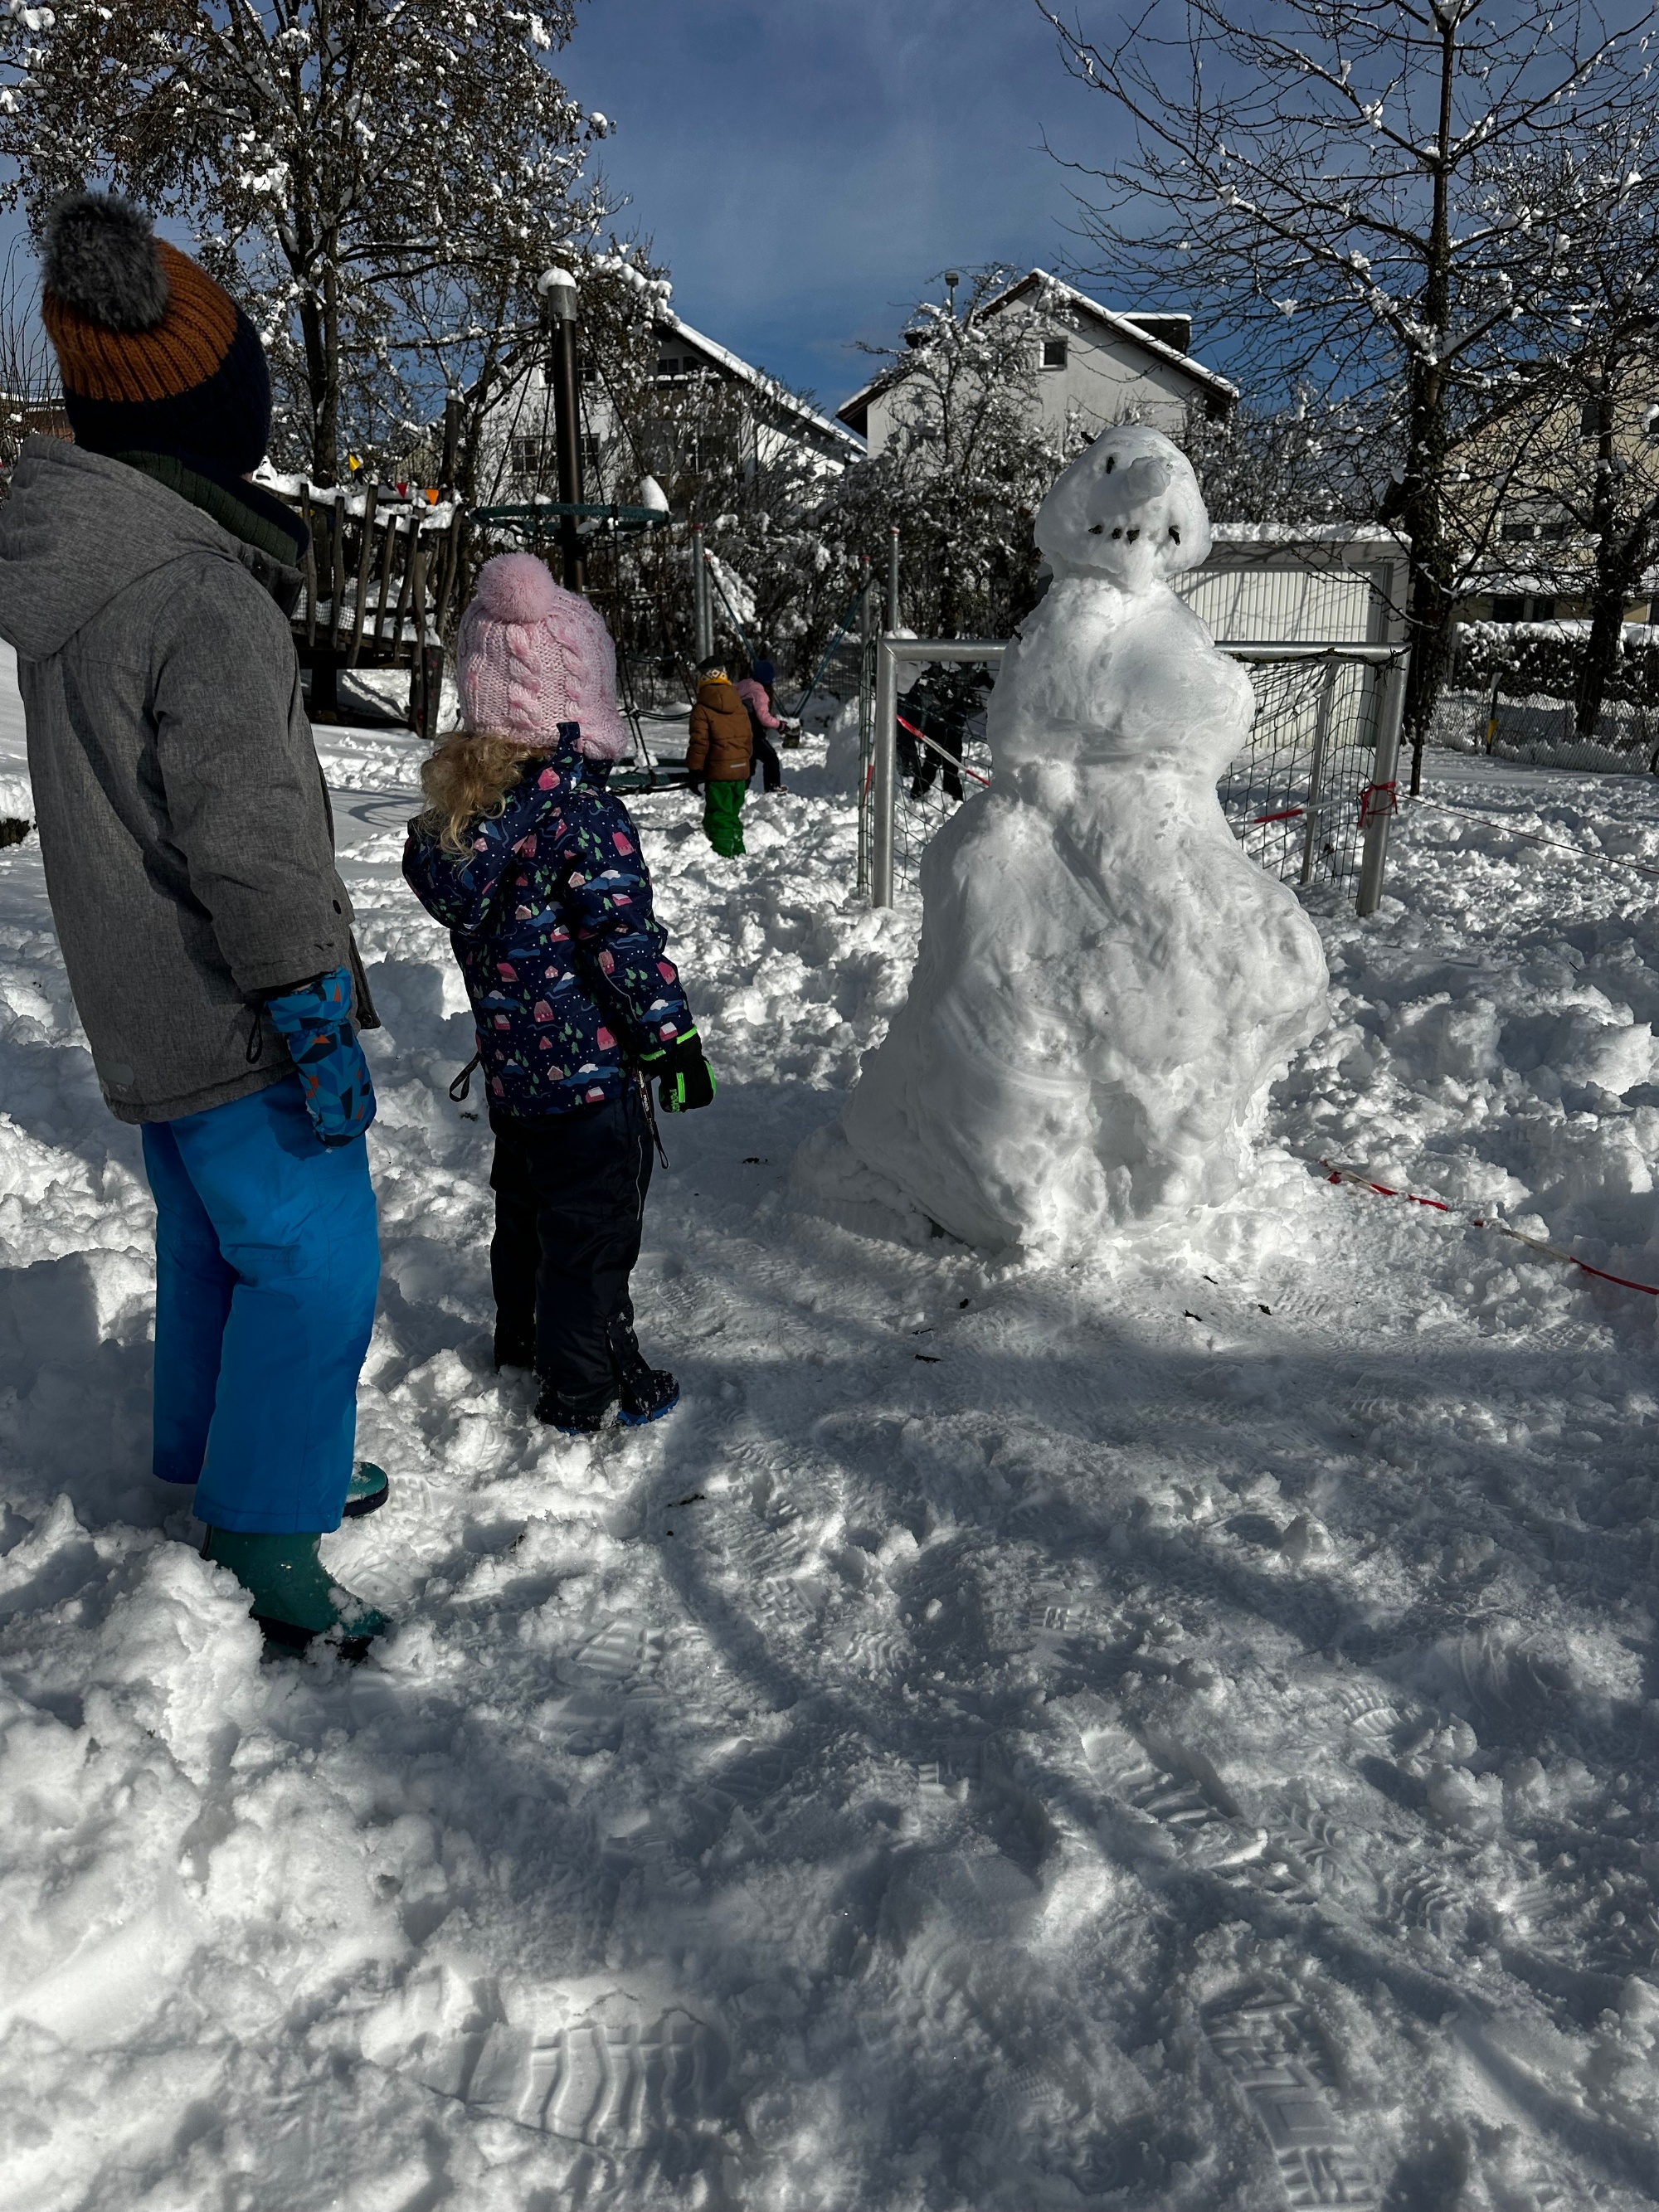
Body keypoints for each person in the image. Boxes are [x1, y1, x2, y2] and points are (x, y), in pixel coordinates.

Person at [0, 193, 387, 1657]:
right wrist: (304, 995)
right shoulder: (201, 596)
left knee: (215, 1241)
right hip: (236, 1009)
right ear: (216, 412)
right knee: (315, 1257)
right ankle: (268, 1528)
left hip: (138, 1004)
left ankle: (230, 1455)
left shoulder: (73, 571)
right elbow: (254, 835)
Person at [402, 554, 713, 1434]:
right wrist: (671, 1043)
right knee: (592, 1234)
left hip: (517, 1077)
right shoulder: (581, 816)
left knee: (528, 1216)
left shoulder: (461, 822)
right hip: (589, 1084)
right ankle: (586, 1387)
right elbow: (622, 945)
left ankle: (523, 1340)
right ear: (583, 703)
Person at [685, 653, 753, 854]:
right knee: (731, 812)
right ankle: (737, 847)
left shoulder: (702, 709)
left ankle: (725, 854)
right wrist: (744, 763)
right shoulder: (739, 705)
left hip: (719, 772)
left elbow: (700, 743)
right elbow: (748, 738)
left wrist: (695, 769)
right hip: (740, 770)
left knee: (721, 813)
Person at [735, 658, 785, 794]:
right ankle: (773, 788)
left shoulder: (742, 685)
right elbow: (764, 718)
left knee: (749, 763)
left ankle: (742, 791)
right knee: (771, 759)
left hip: (737, 733)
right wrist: (779, 725)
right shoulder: (760, 694)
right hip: (753, 734)